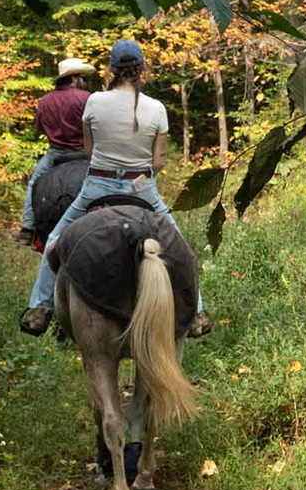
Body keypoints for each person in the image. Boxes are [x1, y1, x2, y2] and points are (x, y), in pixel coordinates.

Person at [19, 39, 212, 339]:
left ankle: (40, 309)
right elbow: (158, 161)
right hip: (142, 189)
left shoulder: (95, 101)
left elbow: (89, 150)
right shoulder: (156, 108)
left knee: (55, 239)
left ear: (111, 69)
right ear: (142, 69)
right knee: (180, 246)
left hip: (97, 186)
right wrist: (138, 175)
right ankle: (197, 312)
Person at [18, 57, 98, 244]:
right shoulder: (87, 98)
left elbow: (40, 128)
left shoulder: (45, 100)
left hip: (56, 153)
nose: (84, 81)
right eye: (81, 78)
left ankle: (27, 229)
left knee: (35, 182)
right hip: (85, 153)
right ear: (74, 79)